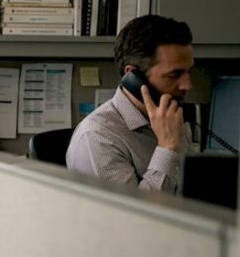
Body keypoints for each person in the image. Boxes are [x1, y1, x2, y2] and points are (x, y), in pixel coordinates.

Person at [66, 14, 194, 192]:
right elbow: (130, 216)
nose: (187, 85)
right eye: (174, 75)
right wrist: (167, 148)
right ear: (133, 76)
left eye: (189, 72)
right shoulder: (98, 137)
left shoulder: (171, 118)